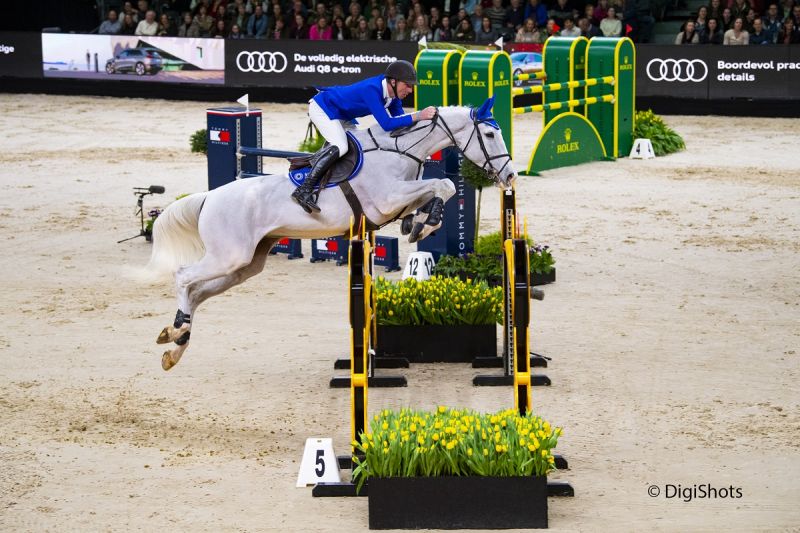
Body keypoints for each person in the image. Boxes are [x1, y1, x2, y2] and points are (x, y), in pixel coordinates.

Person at [290, 61, 437, 213]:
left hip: (342, 115)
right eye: (407, 85)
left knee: (359, 147)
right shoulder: (371, 89)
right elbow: (387, 124)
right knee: (341, 146)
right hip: (323, 109)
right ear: (393, 82)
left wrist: (422, 124)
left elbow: (400, 122)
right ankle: (303, 190)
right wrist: (418, 115)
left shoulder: (393, 96)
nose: (411, 90)